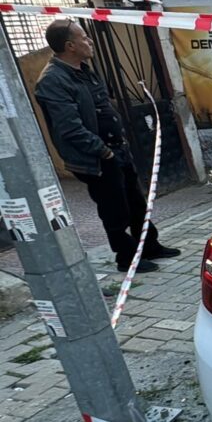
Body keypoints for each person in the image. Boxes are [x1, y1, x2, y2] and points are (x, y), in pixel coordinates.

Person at [34, 20, 179, 273]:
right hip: (95, 157)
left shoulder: (84, 70)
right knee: (115, 210)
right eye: (84, 38)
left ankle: (150, 246)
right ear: (70, 46)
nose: (90, 42)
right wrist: (104, 151)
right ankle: (127, 258)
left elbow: (102, 105)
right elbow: (69, 128)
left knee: (136, 202)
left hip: (116, 148)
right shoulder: (53, 80)